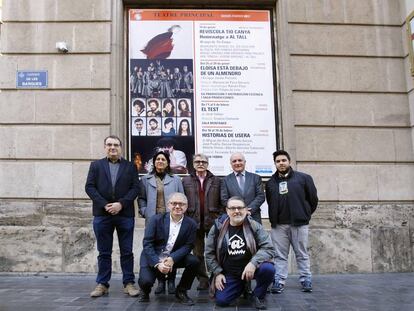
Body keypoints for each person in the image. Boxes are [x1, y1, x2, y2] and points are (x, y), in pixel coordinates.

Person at [85, 135, 141, 298]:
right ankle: (102, 284)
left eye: (116, 145)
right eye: (109, 145)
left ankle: (129, 283)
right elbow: (89, 187)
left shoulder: (130, 166)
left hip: (125, 215)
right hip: (102, 215)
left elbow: (135, 188)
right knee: (103, 252)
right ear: (105, 147)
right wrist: (105, 205)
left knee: (127, 251)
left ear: (121, 148)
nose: (112, 147)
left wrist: (121, 204)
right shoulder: (96, 166)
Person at [205, 196, 275, 310]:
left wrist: (253, 263)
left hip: (252, 269)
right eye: (232, 208)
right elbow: (209, 253)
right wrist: (218, 272)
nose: (236, 211)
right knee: (222, 301)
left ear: (246, 210)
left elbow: (268, 248)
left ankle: (258, 295)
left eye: (240, 208)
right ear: (227, 211)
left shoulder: (254, 226)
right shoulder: (218, 227)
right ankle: (242, 286)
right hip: (230, 272)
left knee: (268, 269)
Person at [266, 150, 318, 294]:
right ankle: (279, 281)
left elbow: (313, 200)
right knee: (280, 255)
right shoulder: (270, 183)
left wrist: (305, 214)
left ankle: (306, 279)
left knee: (301, 253)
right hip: (279, 225)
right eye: (278, 161)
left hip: (299, 224)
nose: (281, 163)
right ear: (275, 164)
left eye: (283, 160)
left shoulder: (304, 178)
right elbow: (270, 202)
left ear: (289, 161)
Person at [137, 192, 199, 305]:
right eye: (174, 203)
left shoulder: (191, 224)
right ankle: (145, 291)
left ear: (186, 206)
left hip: (174, 256)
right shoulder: (156, 220)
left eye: (181, 204)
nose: (178, 206)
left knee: (194, 261)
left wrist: (172, 258)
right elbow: (147, 243)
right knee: (145, 281)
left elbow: (188, 245)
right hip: (153, 256)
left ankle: (181, 291)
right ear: (168, 205)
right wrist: (157, 263)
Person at [139, 151, 184, 294]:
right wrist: (144, 211)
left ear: (167, 162)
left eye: (163, 159)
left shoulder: (176, 179)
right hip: (153, 220)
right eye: (157, 159)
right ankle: (160, 282)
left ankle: (171, 280)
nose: (160, 161)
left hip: (172, 220)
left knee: (172, 248)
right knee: (157, 249)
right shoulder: (146, 179)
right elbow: (141, 198)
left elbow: (182, 198)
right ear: (154, 162)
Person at [182, 154, 223, 290]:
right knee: (198, 253)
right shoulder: (186, 180)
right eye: (197, 161)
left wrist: (220, 218)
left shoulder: (216, 180)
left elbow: (223, 202)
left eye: (203, 161)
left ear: (207, 164)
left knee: (215, 251)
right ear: (193, 164)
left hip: (213, 221)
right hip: (194, 222)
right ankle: (203, 279)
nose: (200, 164)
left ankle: (216, 276)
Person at [221, 153, 265, 223]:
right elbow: (224, 199)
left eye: (240, 160)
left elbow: (261, 196)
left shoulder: (255, 178)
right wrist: (237, 210)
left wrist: (248, 210)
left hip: (253, 216)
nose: (237, 163)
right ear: (231, 164)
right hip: (234, 218)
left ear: (244, 162)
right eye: (234, 161)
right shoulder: (225, 180)